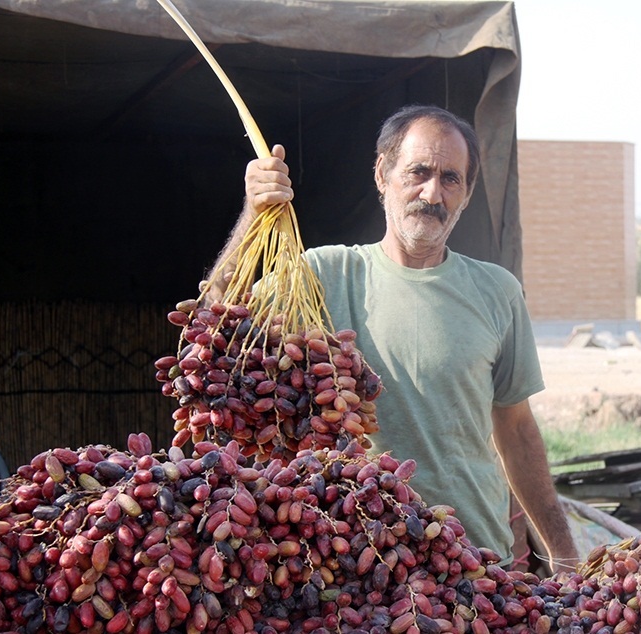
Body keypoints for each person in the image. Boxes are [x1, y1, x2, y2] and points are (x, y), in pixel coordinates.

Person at [210, 104, 578, 573]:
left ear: (465, 195)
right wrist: (253, 216)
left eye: (451, 179)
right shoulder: (323, 276)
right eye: (418, 172)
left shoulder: (498, 292)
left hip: (481, 565)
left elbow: (518, 432)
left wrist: (565, 558)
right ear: (383, 174)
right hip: (359, 567)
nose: (433, 192)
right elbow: (214, 330)